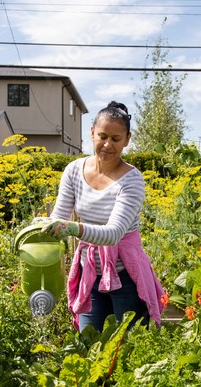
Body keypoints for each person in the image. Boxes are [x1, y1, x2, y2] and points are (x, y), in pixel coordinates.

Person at [42, 101, 165, 331]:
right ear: (92, 133)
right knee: (89, 343)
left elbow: (114, 233)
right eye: (103, 136)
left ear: (127, 140)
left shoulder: (132, 180)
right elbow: (58, 216)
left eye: (116, 139)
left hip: (126, 275)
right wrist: (43, 230)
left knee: (128, 347)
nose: (108, 144)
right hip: (91, 274)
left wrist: (73, 228)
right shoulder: (74, 171)